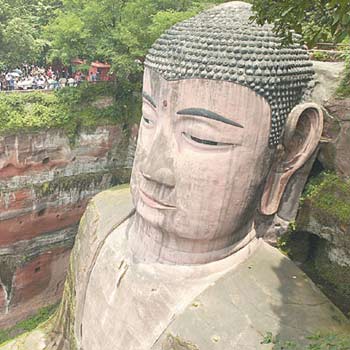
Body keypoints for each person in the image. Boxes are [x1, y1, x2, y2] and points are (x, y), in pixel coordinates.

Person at [1, 2, 349, 350]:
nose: (152, 168)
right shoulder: (104, 216)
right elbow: (55, 336)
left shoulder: (281, 334)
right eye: (148, 119)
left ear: (290, 152)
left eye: (201, 137)